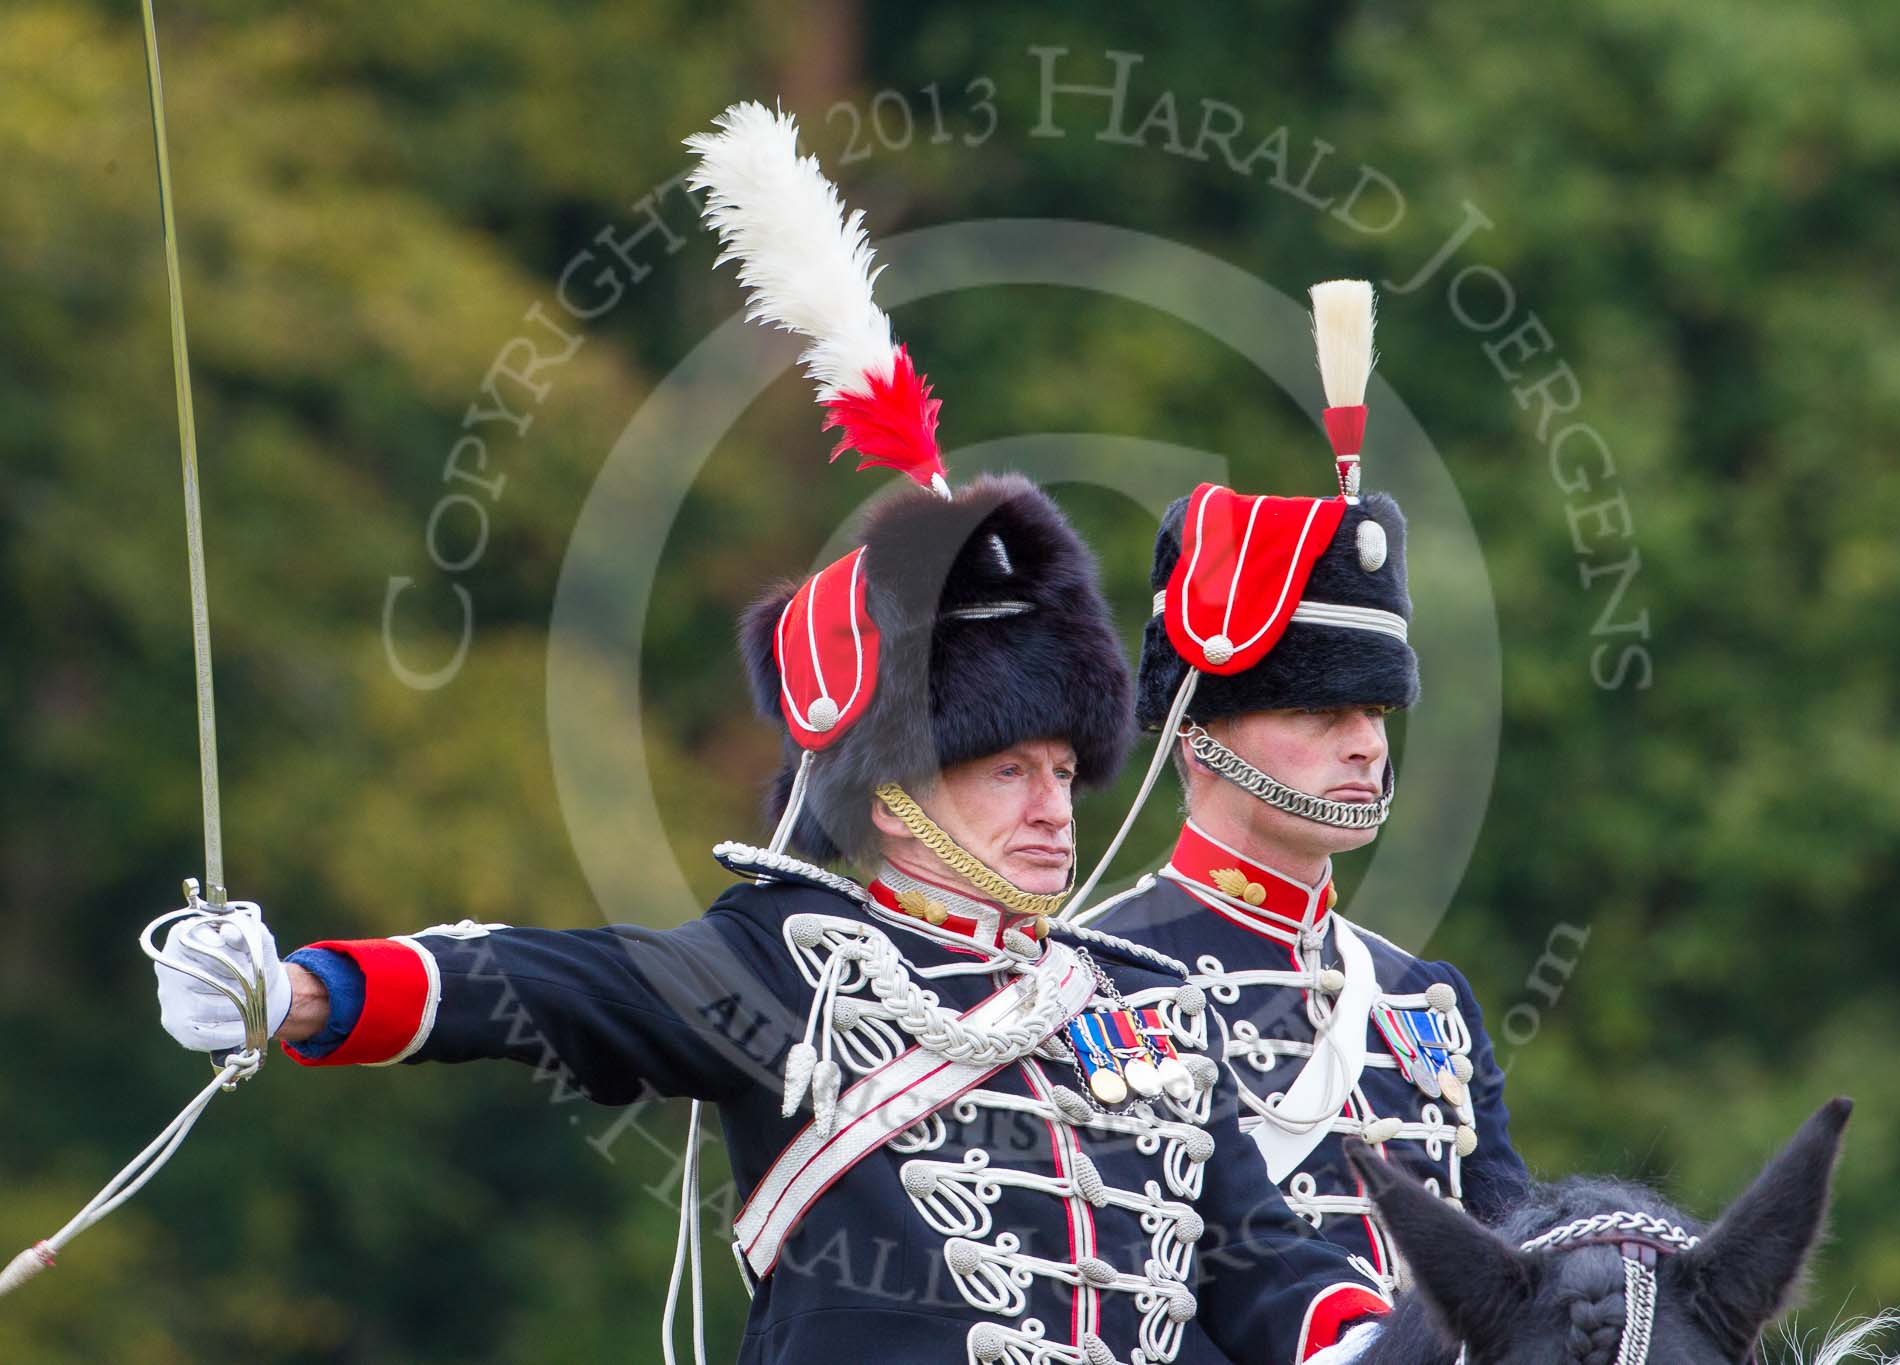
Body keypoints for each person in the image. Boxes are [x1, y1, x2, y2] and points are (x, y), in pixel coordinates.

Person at [151, 103, 1396, 1365]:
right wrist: (300, 991)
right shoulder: (795, 964)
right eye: (1007, 770)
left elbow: (1268, 1267)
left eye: (1064, 771)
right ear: (898, 794)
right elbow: (546, 986)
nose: (1051, 808)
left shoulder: (1144, 1006)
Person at [1073, 280, 1528, 1303]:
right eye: (1321, 716)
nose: (1364, 746)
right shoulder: (1092, 982)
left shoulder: (1424, 1005)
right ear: (1198, 740)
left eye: (1373, 715)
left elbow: (1508, 1282)